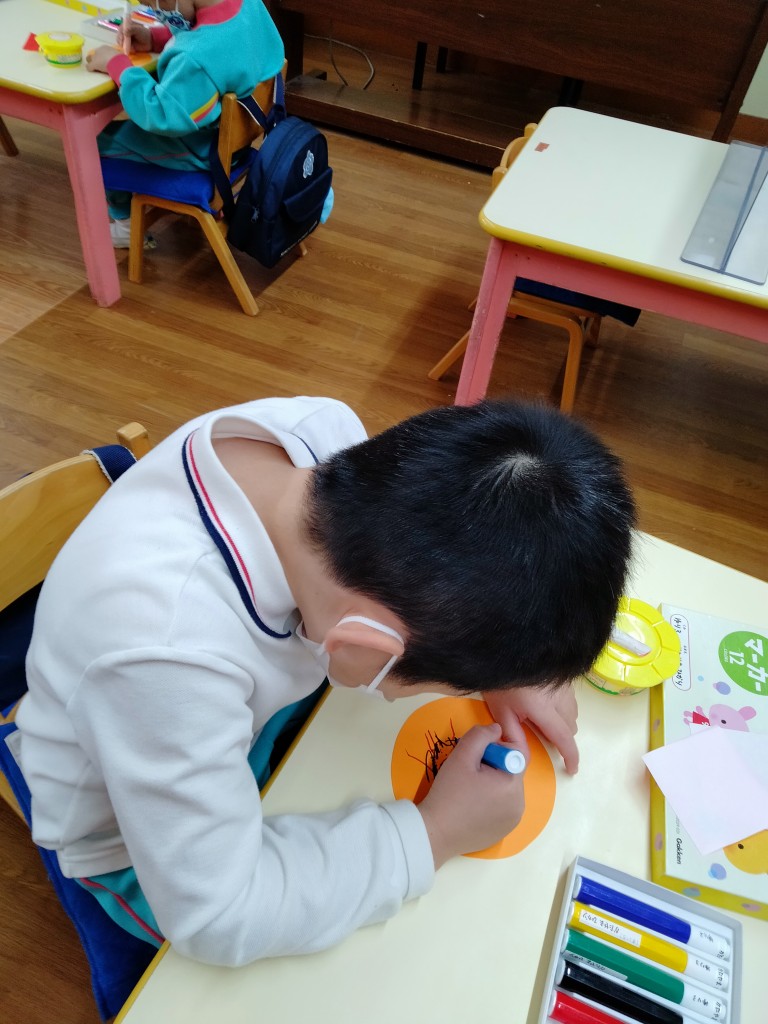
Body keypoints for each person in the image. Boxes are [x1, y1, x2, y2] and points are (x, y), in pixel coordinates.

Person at [17, 396, 635, 966]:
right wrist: (435, 833)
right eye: (448, 687)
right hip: (125, 838)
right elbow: (218, 917)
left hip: (210, 714)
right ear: (364, 644)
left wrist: (499, 663)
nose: (457, 694)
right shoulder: (164, 657)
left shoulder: (322, 440)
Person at [84, 0, 285, 246]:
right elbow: (208, 35)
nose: (156, 11)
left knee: (98, 140)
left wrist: (117, 65)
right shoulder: (250, 5)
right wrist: (155, 38)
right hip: (243, 136)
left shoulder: (194, 58)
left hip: (206, 153)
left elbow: (160, 114)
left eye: (153, 2)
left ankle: (126, 225)